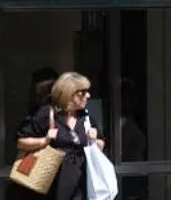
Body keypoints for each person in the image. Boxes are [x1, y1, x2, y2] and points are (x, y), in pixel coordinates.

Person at [16, 69, 106, 200]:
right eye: (83, 92)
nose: (88, 96)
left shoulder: (85, 117)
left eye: (88, 91)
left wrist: (94, 141)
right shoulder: (48, 114)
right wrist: (45, 140)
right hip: (52, 184)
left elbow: (101, 145)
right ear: (69, 93)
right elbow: (20, 142)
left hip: (81, 185)